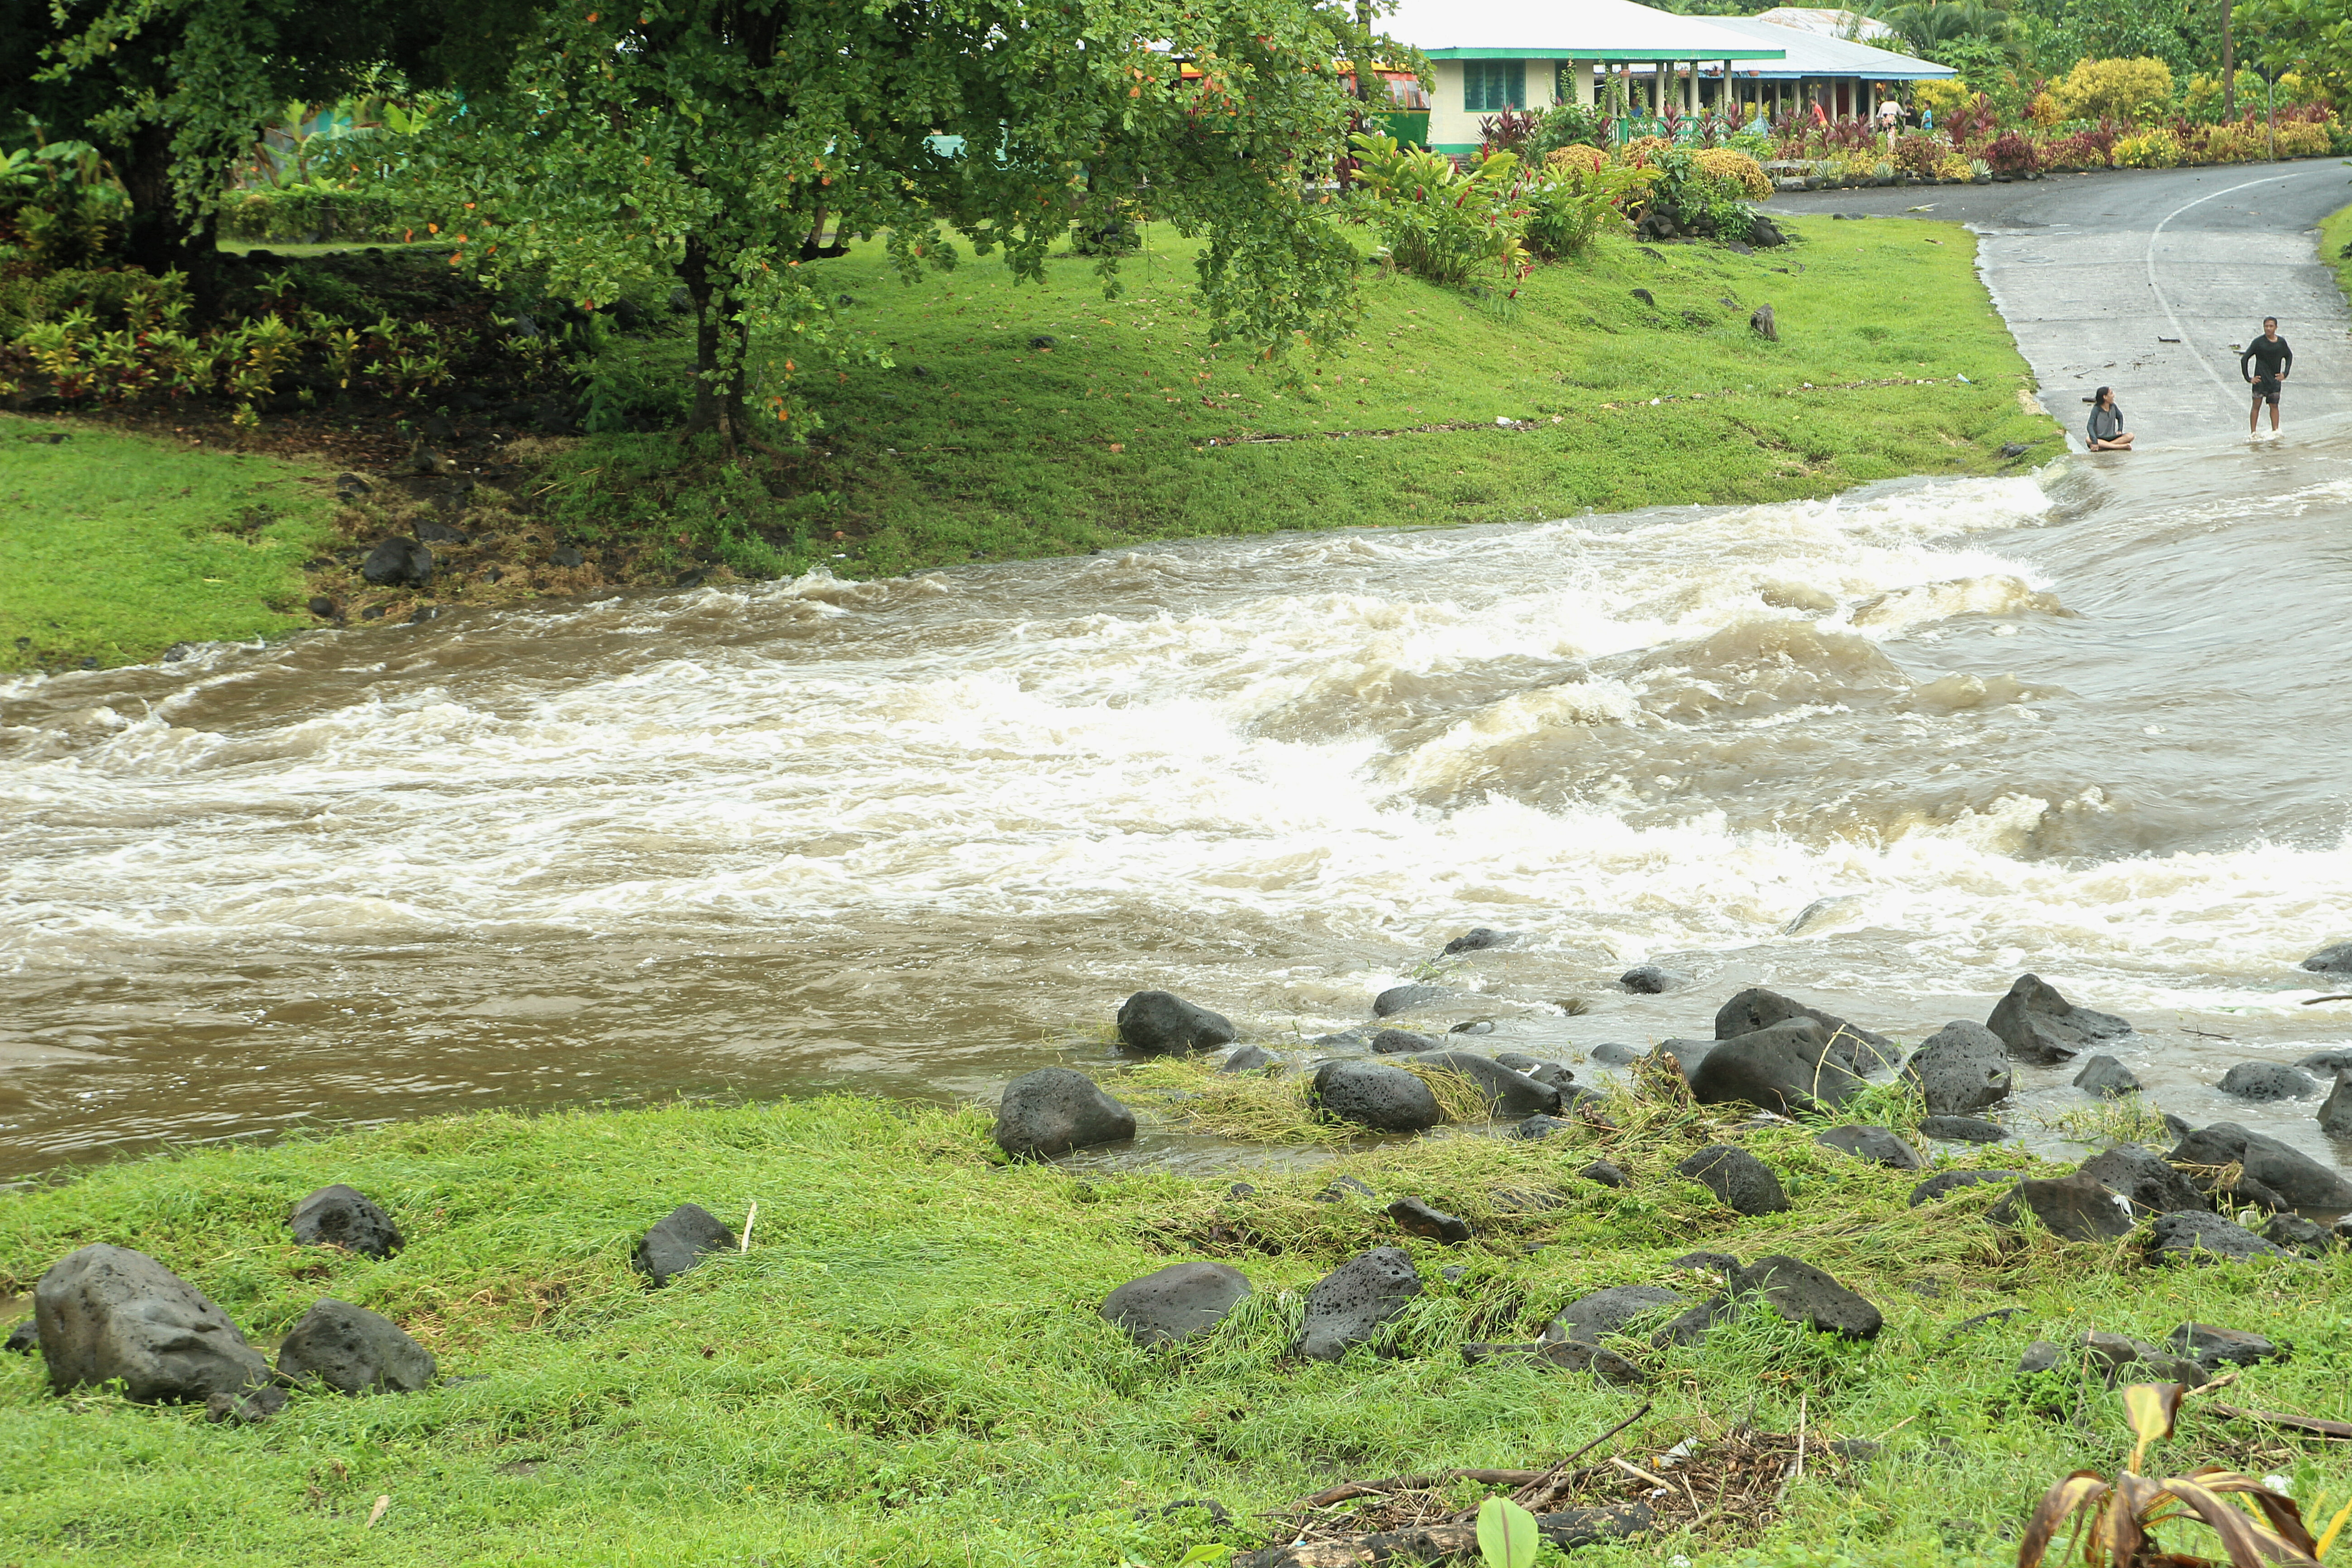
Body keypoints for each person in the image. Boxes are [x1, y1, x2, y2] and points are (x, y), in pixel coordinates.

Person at [2241, 317, 2291, 436]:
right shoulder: (2258, 343)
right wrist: (2249, 378)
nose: (2268, 329)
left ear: (2276, 328)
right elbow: (2245, 359)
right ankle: (2253, 433)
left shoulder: (2281, 343)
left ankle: (2276, 431)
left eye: (2271, 326)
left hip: (2274, 381)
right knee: (2256, 406)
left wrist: (2285, 374)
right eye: (2266, 326)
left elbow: (2289, 356)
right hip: (2260, 381)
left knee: (2274, 406)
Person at [2086, 386, 2132, 450]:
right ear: (2105, 397)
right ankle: (2120, 446)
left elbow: (2120, 417)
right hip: (2100, 438)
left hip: (2112, 437)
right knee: (2088, 440)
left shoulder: (2113, 406)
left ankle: (2104, 447)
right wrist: (2095, 441)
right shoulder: (2096, 410)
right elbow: (2090, 426)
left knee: (2131, 436)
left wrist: (2120, 430)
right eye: (2111, 394)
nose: (2114, 396)